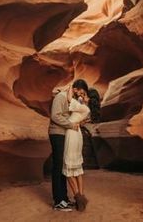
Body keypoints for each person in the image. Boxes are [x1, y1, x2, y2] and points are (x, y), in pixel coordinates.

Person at [48, 79, 88, 212]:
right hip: (57, 133)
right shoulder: (61, 97)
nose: (80, 95)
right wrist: (71, 125)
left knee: (63, 166)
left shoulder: (71, 100)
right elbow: (55, 116)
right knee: (58, 166)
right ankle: (58, 201)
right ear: (75, 89)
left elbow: (74, 112)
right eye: (80, 92)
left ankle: (64, 198)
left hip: (64, 134)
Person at [62, 85, 90, 212]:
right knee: (77, 169)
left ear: (87, 99)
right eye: (81, 94)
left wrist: (70, 87)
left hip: (72, 134)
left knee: (68, 168)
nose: (81, 96)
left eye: (84, 95)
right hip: (77, 134)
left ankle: (78, 198)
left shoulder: (81, 106)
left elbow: (69, 98)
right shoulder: (84, 109)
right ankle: (82, 197)